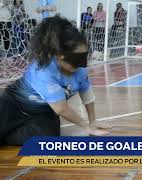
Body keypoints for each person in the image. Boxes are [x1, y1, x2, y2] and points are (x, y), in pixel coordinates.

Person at [0, 16, 109, 146]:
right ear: (59, 55)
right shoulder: (43, 70)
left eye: (84, 56)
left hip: (42, 112)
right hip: (14, 105)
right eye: (77, 58)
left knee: (49, 140)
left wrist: (93, 122)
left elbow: (87, 94)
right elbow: (61, 109)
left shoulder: (79, 70)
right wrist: (86, 126)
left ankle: (7, 135)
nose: (82, 63)